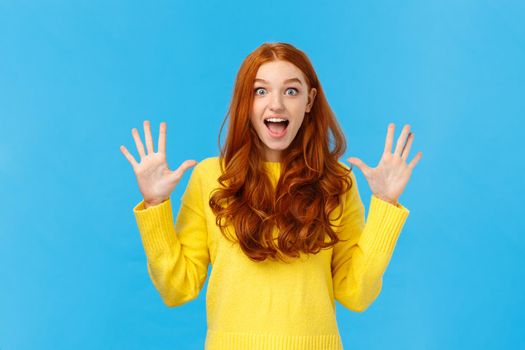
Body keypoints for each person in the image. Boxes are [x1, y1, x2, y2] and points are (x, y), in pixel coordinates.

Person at [120, 42, 422, 350]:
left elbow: (356, 294)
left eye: (291, 91)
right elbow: (177, 288)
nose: (276, 104)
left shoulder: (337, 182)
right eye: (260, 91)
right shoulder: (210, 178)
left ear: (309, 100)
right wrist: (155, 204)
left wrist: (386, 204)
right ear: (245, 102)